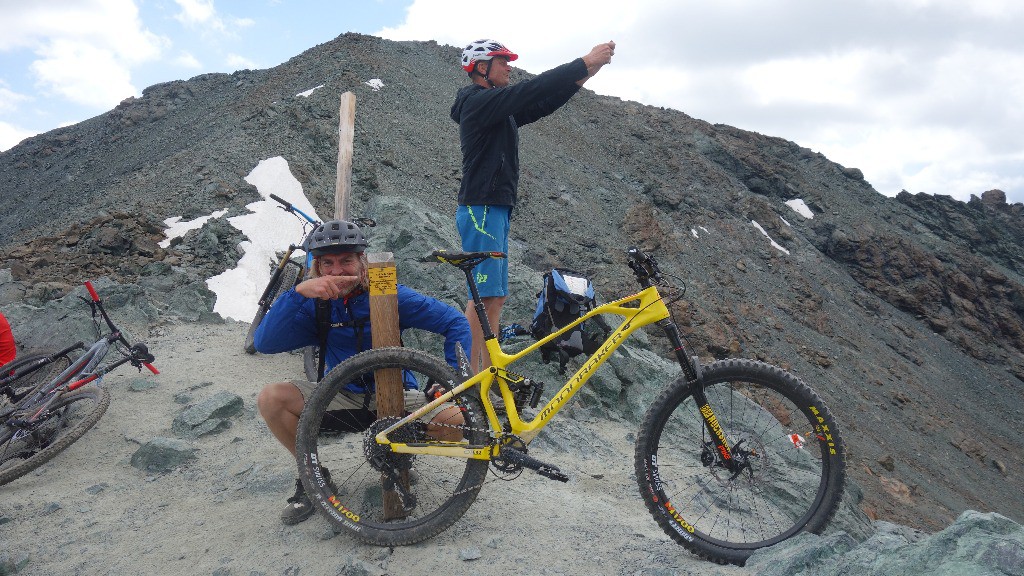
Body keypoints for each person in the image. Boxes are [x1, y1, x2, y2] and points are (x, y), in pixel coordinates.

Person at [253, 219, 472, 525]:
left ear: (362, 262)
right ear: (316, 268)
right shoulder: (313, 305)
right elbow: (264, 342)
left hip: (399, 398)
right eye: (327, 263)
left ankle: (403, 455)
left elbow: (455, 323)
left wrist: (450, 384)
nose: (337, 271)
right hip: (342, 396)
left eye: (346, 261)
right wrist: (298, 294)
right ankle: (313, 476)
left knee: (463, 424)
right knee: (271, 398)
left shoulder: (391, 293)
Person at [451, 38, 615, 373]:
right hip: (482, 209)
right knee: (484, 298)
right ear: (482, 68)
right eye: (503, 62)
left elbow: (542, 102)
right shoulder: (477, 102)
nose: (509, 67)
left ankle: (485, 374)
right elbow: (531, 90)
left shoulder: (495, 111)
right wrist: (583, 61)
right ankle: (470, 379)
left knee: (493, 298)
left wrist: (585, 75)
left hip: (492, 208)